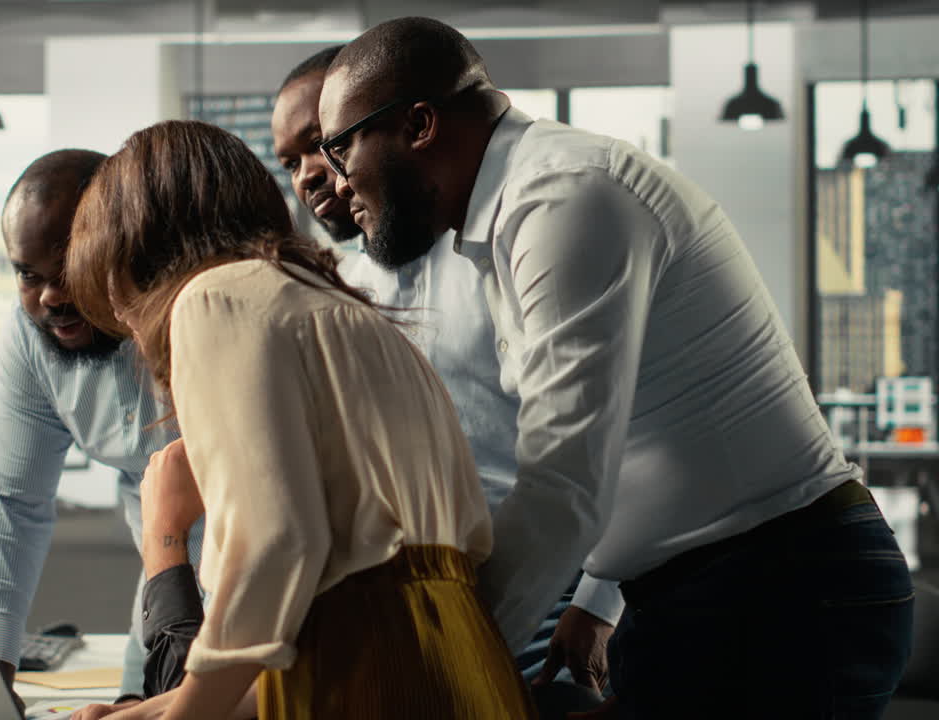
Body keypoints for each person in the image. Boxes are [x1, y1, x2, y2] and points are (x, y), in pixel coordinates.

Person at [317, 16, 914, 719]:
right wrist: (599, 593)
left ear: (419, 124)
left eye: (338, 146)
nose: (336, 181)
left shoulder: (561, 197)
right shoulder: (507, 221)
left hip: (783, 590)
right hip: (707, 591)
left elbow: (564, 477)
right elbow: (622, 434)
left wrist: (440, 663)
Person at [65, 120, 536, 720]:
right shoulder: (350, 316)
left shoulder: (213, 298)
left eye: (116, 298)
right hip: (464, 672)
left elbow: (276, 545)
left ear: (139, 251)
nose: (127, 324)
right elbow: (338, 637)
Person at [272, 44, 619, 693]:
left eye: (323, 144)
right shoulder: (339, 282)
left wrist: (599, 602)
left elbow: (606, 439)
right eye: (290, 162)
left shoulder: (508, 249)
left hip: (550, 585)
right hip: (416, 593)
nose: (310, 175)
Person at [0, 149, 188, 713]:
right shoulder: (29, 341)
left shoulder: (190, 316)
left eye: (69, 269)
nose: (50, 296)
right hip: (160, 594)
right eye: (28, 274)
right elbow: (12, 505)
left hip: (251, 602)